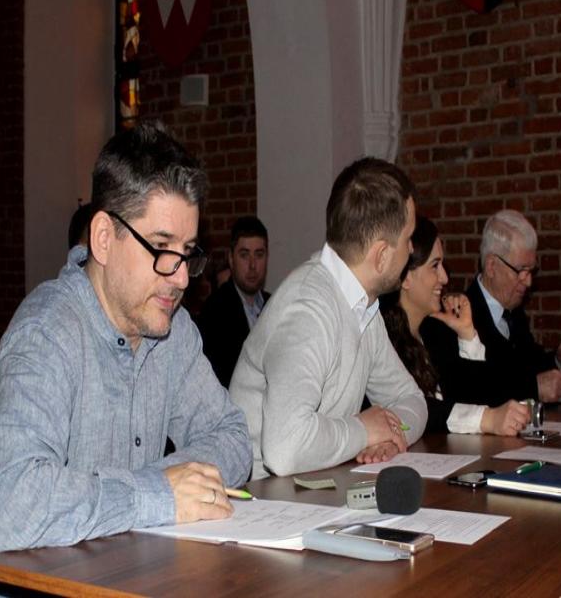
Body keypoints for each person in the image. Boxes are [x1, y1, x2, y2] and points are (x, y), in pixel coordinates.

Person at [0, 122, 252, 552]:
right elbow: (11, 502)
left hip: (137, 571)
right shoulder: (47, 333)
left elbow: (233, 437)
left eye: (187, 252)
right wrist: (156, 492)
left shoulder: (173, 330)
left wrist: (165, 488)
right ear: (103, 239)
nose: (182, 278)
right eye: (162, 248)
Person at [230, 157, 428, 479]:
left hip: (313, 486)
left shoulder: (363, 305)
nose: (410, 249)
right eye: (408, 239)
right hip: (259, 495)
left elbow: (411, 400)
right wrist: (364, 431)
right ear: (381, 255)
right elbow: (284, 450)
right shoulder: (307, 309)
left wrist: (389, 436)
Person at [381, 216, 531, 435]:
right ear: (405, 277)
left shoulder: (435, 333)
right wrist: (486, 419)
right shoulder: (382, 339)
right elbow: (409, 410)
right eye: (435, 266)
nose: (444, 277)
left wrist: (467, 335)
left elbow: (484, 399)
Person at [466, 209, 561, 403]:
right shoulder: (462, 316)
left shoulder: (513, 310)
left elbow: (529, 365)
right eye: (521, 270)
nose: (528, 281)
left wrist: (558, 358)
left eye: (531, 270)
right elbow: (474, 387)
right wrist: (533, 388)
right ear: (491, 266)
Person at [199, 216, 271, 387]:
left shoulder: (274, 304)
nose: (252, 265)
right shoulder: (215, 310)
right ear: (231, 259)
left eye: (259, 255)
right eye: (244, 255)